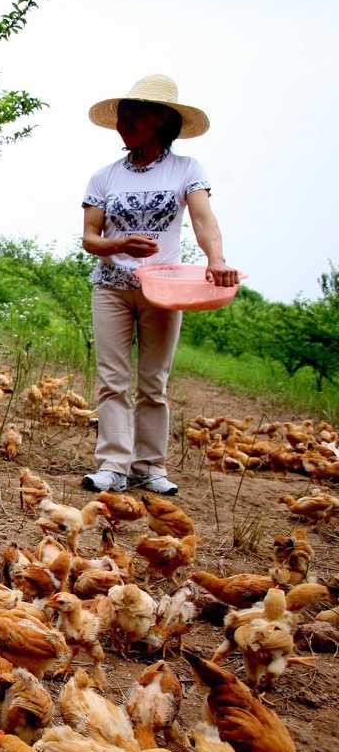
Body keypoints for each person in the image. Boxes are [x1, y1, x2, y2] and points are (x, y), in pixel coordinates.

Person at [80, 75, 238, 496]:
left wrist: (216, 260)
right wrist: (119, 243)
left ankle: (149, 466)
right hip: (111, 287)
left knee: (154, 382)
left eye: (135, 116)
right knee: (112, 378)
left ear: (161, 120)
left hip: (164, 289)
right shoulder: (104, 177)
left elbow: (204, 220)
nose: (124, 123)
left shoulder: (187, 169)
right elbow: (89, 238)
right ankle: (113, 465)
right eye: (121, 116)